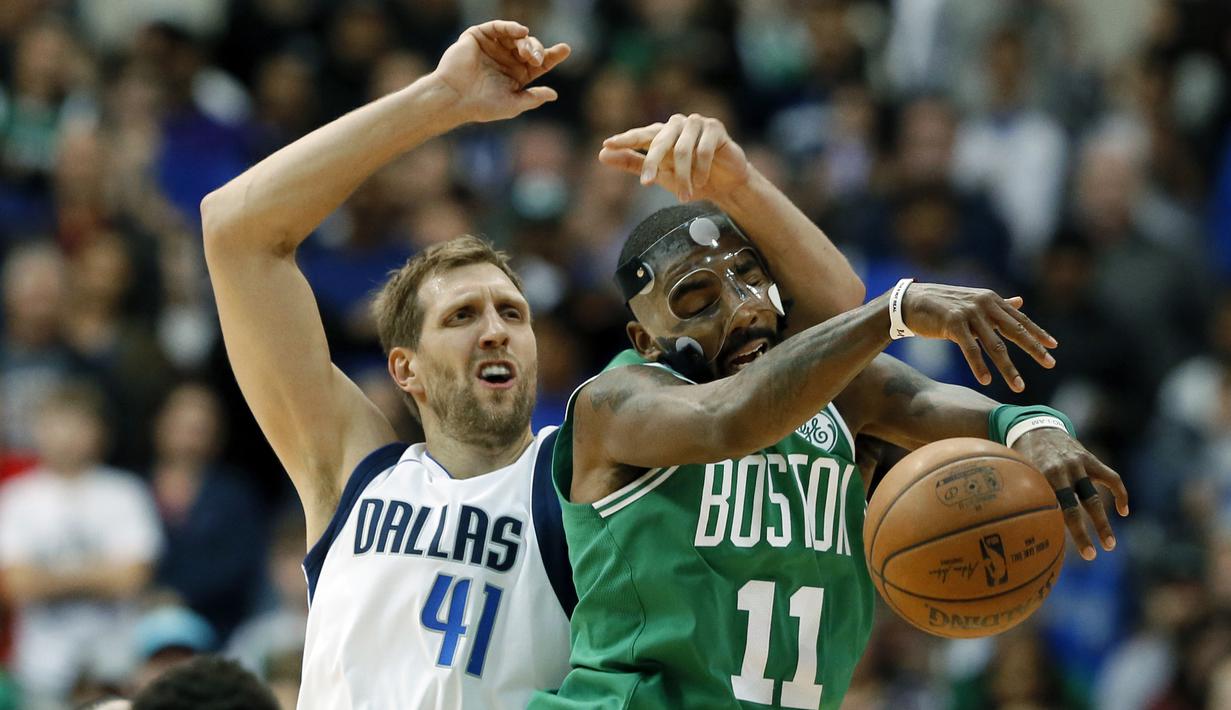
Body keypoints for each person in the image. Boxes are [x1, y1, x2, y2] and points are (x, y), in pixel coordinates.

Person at [532, 115, 1130, 709]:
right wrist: (892, 310)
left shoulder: (830, 395)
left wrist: (1036, 429)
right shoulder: (618, 402)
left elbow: (935, 401)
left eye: (749, 279)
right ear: (644, 339)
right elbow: (729, 419)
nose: (740, 310)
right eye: (697, 299)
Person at [202, 20, 590, 709]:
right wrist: (438, 99)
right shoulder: (353, 471)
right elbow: (236, 231)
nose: (496, 330)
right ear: (403, 369)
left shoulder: (576, 478)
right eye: (461, 316)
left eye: (512, 313)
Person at [0, 381, 163, 709]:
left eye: (78, 424)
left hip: (116, 667)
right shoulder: (17, 497)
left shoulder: (125, 493)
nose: (67, 435)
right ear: (38, 430)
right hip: (40, 669)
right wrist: (99, 574)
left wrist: (49, 577)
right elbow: (15, 584)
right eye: (57, 424)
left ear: (101, 432)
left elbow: (133, 577)